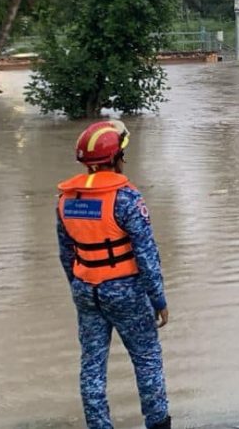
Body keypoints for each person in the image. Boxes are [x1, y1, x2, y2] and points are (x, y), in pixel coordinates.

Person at [56, 120, 171, 429]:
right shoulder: (127, 199)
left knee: (92, 366)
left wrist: (78, 288)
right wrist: (158, 299)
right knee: (147, 360)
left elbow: (67, 254)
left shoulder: (66, 200)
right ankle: (158, 424)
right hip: (127, 292)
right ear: (116, 158)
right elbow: (147, 256)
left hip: (86, 290)